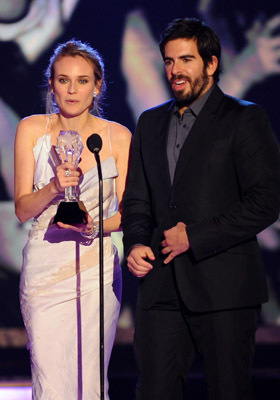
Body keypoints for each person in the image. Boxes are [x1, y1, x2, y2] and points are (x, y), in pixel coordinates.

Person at [122, 17, 280, 400]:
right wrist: (137, 242)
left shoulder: (244, 118)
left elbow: (267, 200)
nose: (176, 71)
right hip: (160, 288)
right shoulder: (150, 122)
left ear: (210, 64)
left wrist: (195, 235)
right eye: (169, 61)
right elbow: (138, 199)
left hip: (224, 289)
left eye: (187, 60)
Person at [14, 39, 131, 399]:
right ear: (51, 84)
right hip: (46, 271)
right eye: (63, 80)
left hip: (96, 268)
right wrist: (52, 187)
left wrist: (92, 227)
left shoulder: (118, 136)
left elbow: (129, 214)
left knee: (92, 381)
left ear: (97, 85)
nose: (72, 89)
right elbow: (22, 208)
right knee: (52, 382)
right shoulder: (32, 129)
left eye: (82, 81)